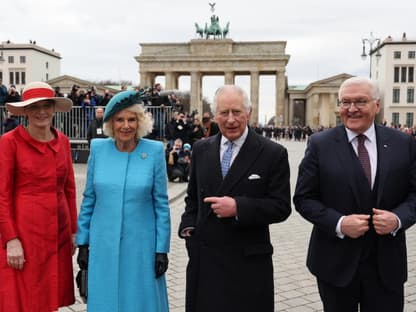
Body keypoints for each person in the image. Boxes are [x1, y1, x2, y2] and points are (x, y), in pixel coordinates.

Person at [293, 76, 416, 312]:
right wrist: (339, 223)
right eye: (345, 102)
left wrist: (398, 219)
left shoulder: (404, 143)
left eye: (360, 101)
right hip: (335, 264)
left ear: (376, 105)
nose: (351, 109)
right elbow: (303, 198)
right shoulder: (320, 144)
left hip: (386, 265)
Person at [178, 85, 291, 312]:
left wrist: (239, 207)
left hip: (247, 262)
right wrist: (188, 227)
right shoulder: (201, 149)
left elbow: (281, 207)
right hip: (206, 259)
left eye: (237, 112)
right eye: (224, 112)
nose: (231, 119)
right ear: (215, 115)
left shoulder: (272, 153)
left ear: (248, 112)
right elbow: (192, 198)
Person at [76, 90, 171, 312]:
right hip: (103, 245)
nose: (126, 126)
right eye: (120, 120)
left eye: (131, 119)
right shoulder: (98, 150)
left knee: (140, 301)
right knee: (106, 301)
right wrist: (83, 243)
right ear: (111, 123)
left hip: (142, 246)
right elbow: (89, 198)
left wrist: (161, 249)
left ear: (140, 122)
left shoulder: (154, 151)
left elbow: (161, 205)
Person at [0, 81, 77, 311]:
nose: (41, 112)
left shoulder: (62, 141)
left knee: (50, 293)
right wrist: (10, 239)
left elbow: (70, 189)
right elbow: (1, 195)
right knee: (25, 296)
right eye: (34, 107)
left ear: (54, 108)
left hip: (58, 231)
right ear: (25, 111)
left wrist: (73, 230)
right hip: (25, 232)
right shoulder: (9, 142)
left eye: (46, 105)